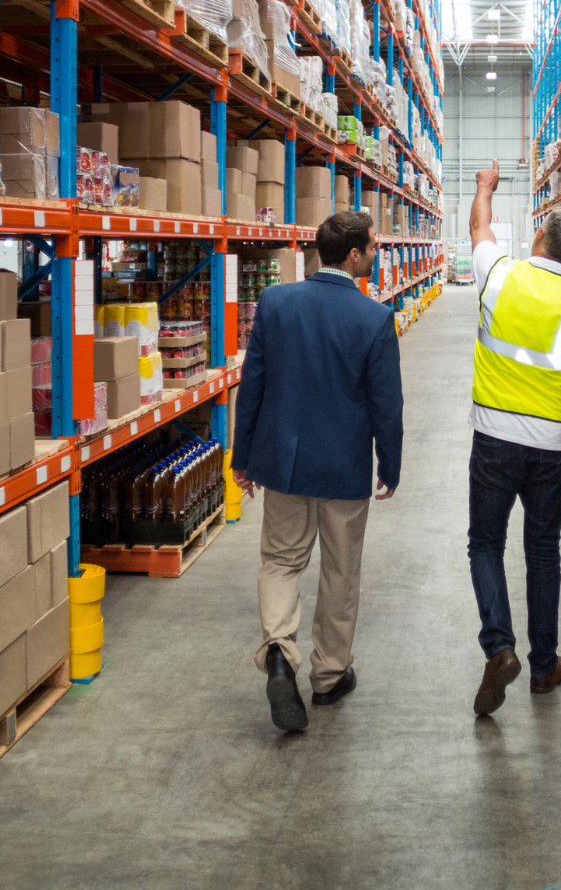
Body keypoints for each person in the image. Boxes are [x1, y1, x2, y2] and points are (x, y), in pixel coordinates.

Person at [231, 210, 404, 732]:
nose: (375, 253)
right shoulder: (373, 318)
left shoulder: (276, 302)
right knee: (340, 569)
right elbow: (386, 405)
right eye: (372, 246)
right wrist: (389, 465)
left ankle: (280, 652)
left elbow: (253, 383)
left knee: (281, 561)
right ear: (353, 255)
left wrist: (243, 458)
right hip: (343, 468)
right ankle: (329, 676)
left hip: (283, 465)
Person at [464, 160, 561, 716]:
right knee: (543, 551)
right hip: (551, 446)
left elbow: (479, 229)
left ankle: (500, 646)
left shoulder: (499, 272)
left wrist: (483, 189)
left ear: (539, 236)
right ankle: (544, 667)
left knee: (485, 544)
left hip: (493, 438)